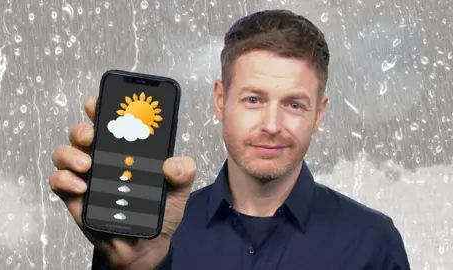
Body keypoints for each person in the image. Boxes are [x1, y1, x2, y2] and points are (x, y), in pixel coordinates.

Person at [49, 9, 411, 270]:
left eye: (294, 104)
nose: (272, 125)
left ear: (319, 113)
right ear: (220, 100)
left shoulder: (372, 241)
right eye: (253, 100)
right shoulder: (149, 237)